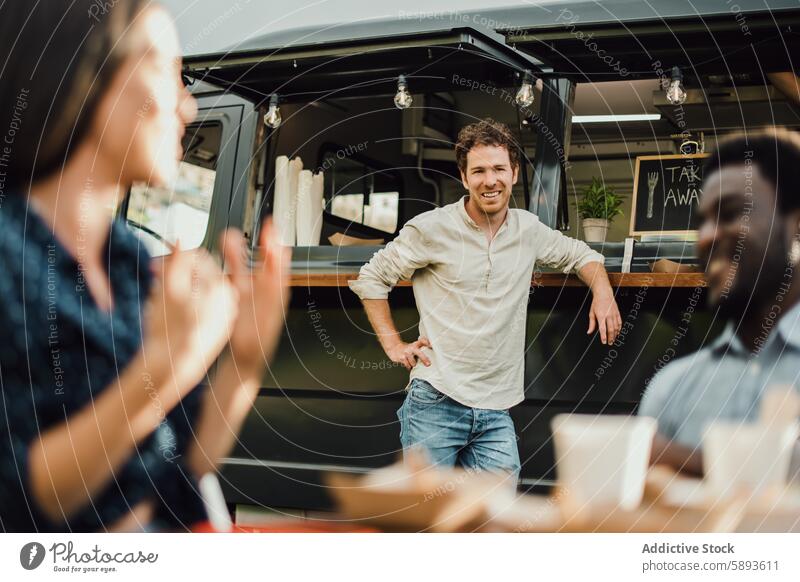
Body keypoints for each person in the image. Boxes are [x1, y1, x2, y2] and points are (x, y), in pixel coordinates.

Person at [0, 1, 289, 532]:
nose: (188, 107)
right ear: (85, 76)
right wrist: (165, 366)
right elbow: (22, 506)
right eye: (168, 71)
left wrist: (242, 367)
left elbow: (175, 471)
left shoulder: (129, 259)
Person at [349, 118, 621, 478]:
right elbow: (371, 278)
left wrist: (603, 294)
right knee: (429, 524)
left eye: (498, 169)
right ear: (464, 178)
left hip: (497, 408)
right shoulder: (431, 228)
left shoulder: (528, 229)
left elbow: (580, 255)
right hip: (436, 399)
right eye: (478, 171)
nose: (490, 180)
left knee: (498, 523)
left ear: (513, 173)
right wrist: (392, 344)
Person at [640, 128, 800, 476]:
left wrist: (691, 462)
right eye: (702, 223)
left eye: (729, 213)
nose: (707, 236)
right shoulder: (671, 387)